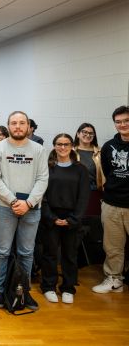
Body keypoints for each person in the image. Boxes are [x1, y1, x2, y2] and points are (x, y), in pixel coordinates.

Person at [0, 111, 48, 310]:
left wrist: (28, 203)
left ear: (28, 125)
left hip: (31, 208)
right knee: (2, 251)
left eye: (22, 123)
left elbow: (42, 179)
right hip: (4, 207)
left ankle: (24, 290)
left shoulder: (39, 150)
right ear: (8, 125)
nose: (18, 126)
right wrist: (14, 201)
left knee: (27, 252)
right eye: (14, 123)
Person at [40, 134, 89, 304]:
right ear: (54, 146)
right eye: (59, 144)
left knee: (70, 255)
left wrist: (73, 219)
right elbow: (42, 195)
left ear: (72, 146)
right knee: (50, 254)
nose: (62, 147)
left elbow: (83, 197)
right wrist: (51, 218)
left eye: (66, 144)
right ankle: (48, 287)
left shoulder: (80, 169)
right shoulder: (47, 167)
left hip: (72, 219)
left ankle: (68, 288)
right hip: (50, 217)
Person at [92, 105, 129, 294]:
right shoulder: (109, 146)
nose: (122, 125)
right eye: (119, 122)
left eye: (126, 121)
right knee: (113, 246)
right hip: (112, 204)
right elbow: (107, 172)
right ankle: (114, 279)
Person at [73, 123, 103, 191]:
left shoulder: (100, 152)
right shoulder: (70, 151)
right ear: (78, 134)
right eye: (84, 132)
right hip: (73, 190)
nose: (88, 135)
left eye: (91, 133)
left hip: (94, 190)